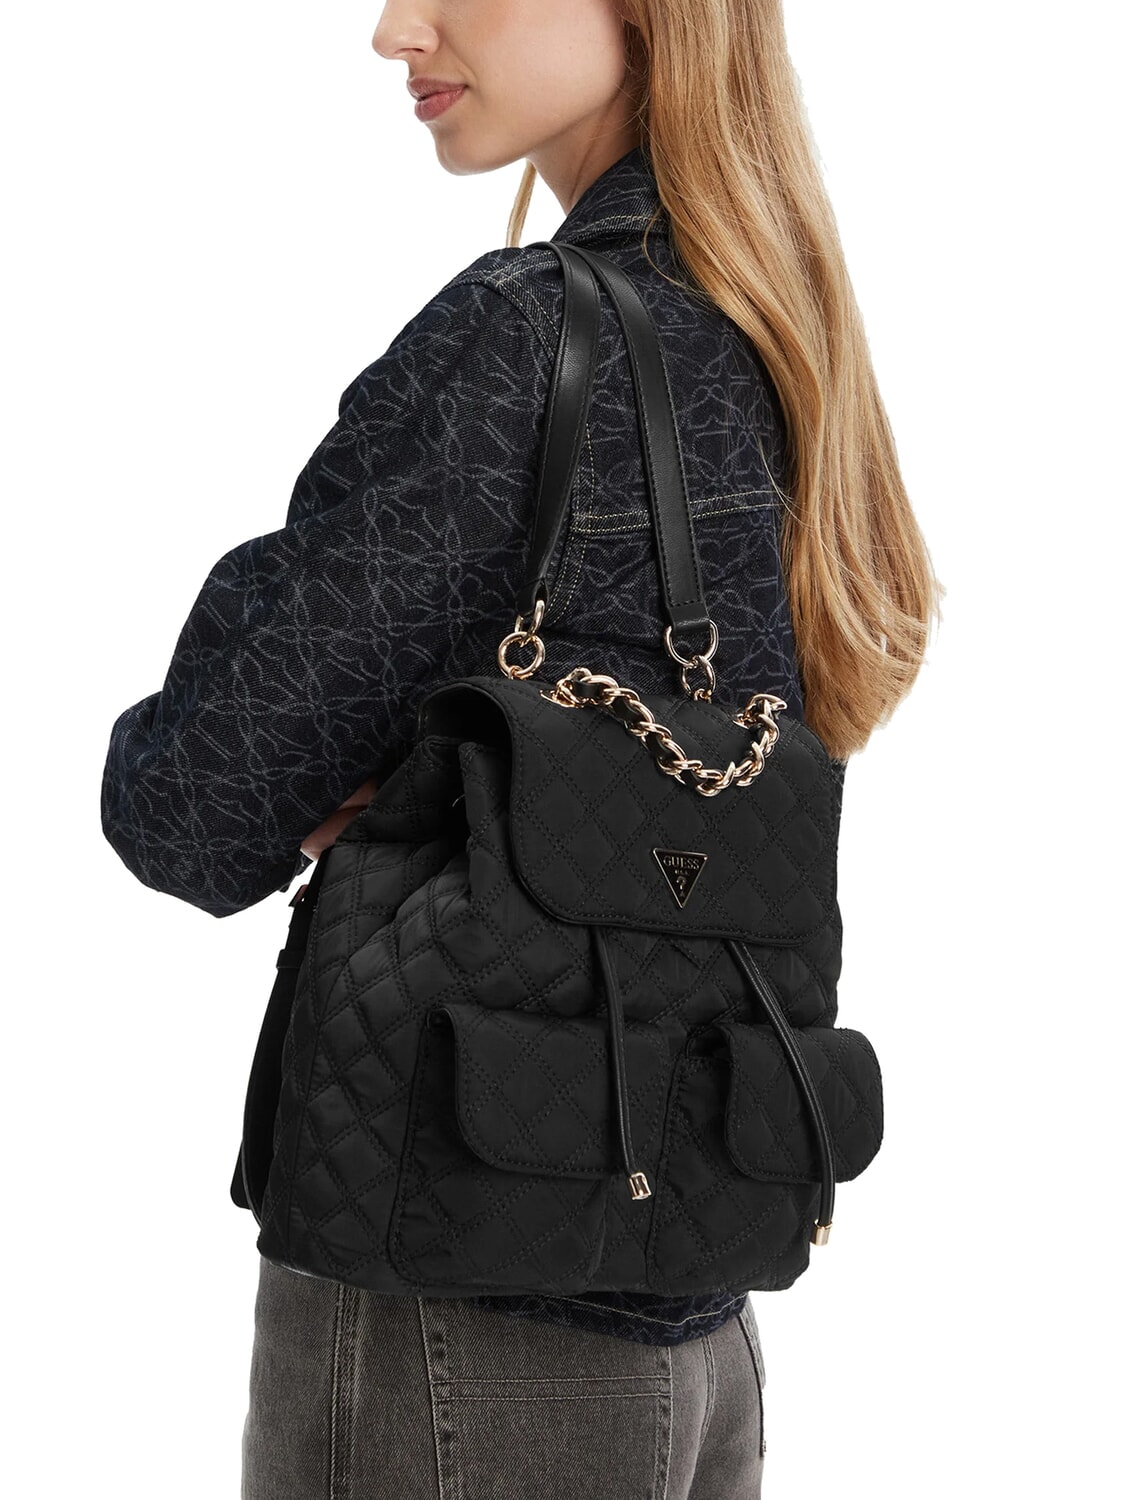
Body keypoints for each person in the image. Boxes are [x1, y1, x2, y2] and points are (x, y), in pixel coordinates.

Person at [100, 1, 942, 1495]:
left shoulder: (528, 335)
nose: (392, 30)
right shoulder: (773, 332)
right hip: (701, 1318)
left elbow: (189, 802)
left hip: (459, 1325)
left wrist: (393, 757)